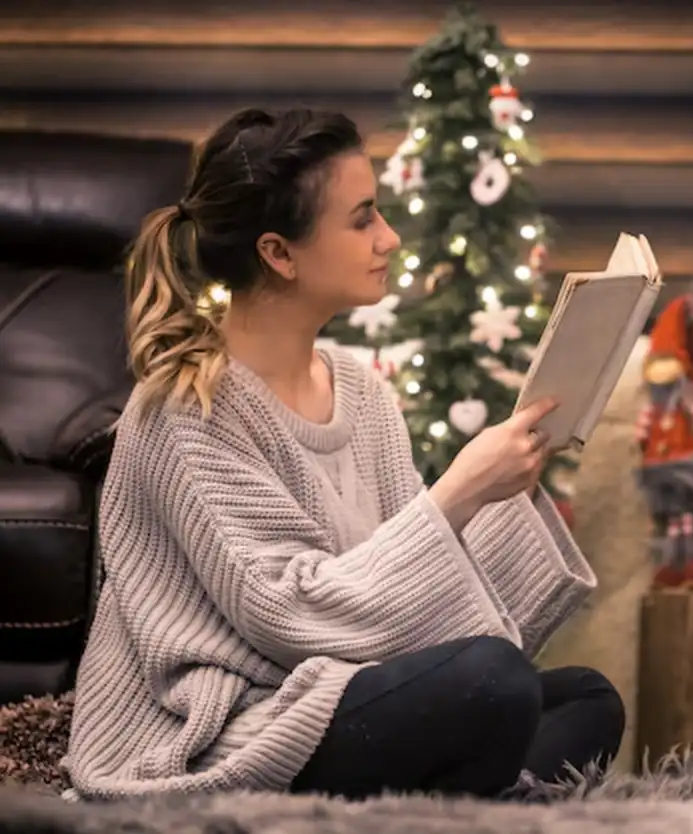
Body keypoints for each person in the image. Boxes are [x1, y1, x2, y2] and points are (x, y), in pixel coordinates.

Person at [62, 107, 624, 802]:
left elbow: (403, 601)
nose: (390, 237)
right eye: (362, 220)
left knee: (586, 698)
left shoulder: (361, 392)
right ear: (279, 253)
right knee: (494, 683)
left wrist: (507, 485)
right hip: (238, 726)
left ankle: (457, 794)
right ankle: (475, 793)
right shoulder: (184, 409)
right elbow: (292, 616)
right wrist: (458, 491)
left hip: (343, 685)